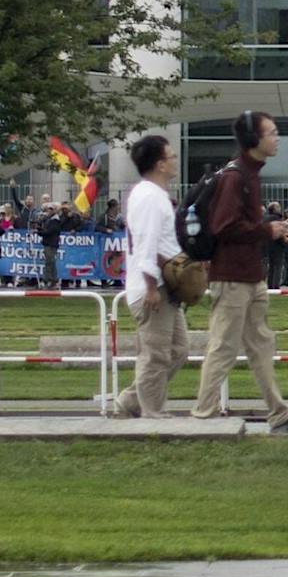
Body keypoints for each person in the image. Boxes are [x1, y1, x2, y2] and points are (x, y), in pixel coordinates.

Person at [192, 112, 288, 433]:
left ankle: (279, 411)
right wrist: (265, 231)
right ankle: (203, 415)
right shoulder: (235, 177)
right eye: (271, 132)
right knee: (223, 347)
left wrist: (263, 230)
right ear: (254, 140)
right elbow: (223, 226)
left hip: (249, 275)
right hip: (231, 277)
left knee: (261, 345)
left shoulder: (250, 174)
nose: (277, 137)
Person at [113, 133, 189, 419]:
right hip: (153, 286)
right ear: (159, 164)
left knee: (178, 350)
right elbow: (146, 244)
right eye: (171, 157)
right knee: (156, 354)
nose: (174, 161)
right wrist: (151, 286)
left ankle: (130, 402)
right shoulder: (149, 197)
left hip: (165, 285)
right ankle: (151, 411)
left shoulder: (154, 196)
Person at [37, 200, 64, 287]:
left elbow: (49, 232)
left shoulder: (55, 221)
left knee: (49, 262)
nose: (49, 211)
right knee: (50, 262)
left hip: (51, 244)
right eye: (48, 209)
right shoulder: (49, 219)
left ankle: (49, 279)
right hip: (49, 243)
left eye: (51, 209)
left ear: (55, 210)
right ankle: (52, 280)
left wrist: (39, 232)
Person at [264, 202, 287, 292]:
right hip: (277, 246)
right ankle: (276, 285)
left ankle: (270, 284)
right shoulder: (278, 219)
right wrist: (284, 244)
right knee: (278, 266)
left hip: (267, 245)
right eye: (278, 207)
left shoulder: (265, 219)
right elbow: (281, 234)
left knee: (271, 266)